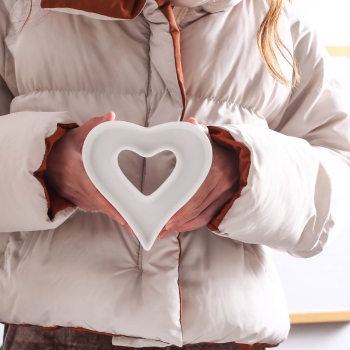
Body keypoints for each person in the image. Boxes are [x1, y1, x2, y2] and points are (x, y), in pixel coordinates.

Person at [1, 0, 350, 349]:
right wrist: (43, 163)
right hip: (51, 331)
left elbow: (338, 177)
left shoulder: (276, 18)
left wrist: (248, 173)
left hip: (222, 336)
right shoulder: (18, 10)